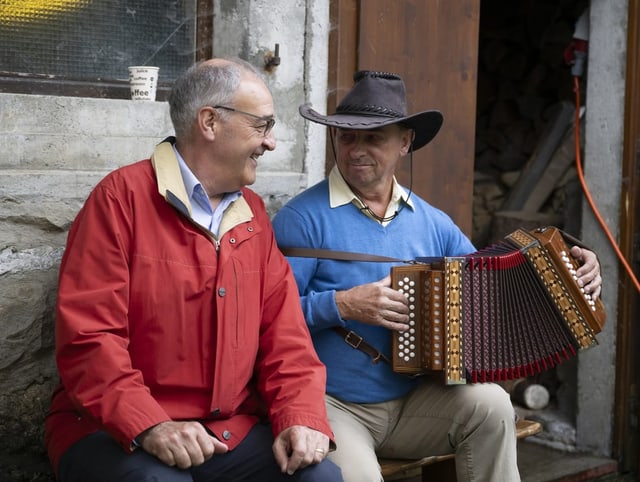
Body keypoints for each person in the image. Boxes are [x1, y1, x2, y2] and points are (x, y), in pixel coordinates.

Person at [272, 70, 603, 482]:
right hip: (334, 405)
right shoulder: (301, 218)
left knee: (493, 405)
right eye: (346, 136)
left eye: (373, 137)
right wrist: (342, 304)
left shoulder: (432, 222)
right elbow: (267, 319)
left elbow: (493, 287)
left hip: (415, 403)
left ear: (405, 142)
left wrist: (573, 268)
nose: (356, 149)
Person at [44, 58, 343, 482]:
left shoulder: (253, 213)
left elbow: (285, 337)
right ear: (209, 122)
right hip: (111, 432)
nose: (271, 143)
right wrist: (150, 424)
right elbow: (89, 339)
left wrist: (300, 416)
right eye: (262, 126)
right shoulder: (119, 201)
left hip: (226, 433)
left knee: (321, 478)